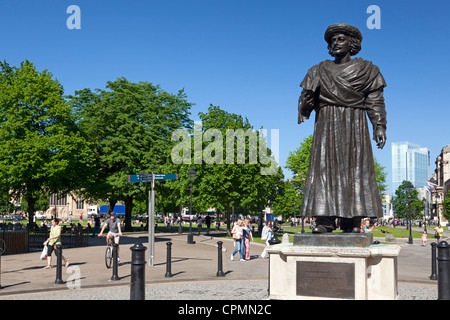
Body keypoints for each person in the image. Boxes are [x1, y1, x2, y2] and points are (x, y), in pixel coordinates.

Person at [298, 23, 387, 234]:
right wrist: (307, 99)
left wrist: (379, 126)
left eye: (340, 39)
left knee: (355, 170)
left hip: (355, 126)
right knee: (324, 170)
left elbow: (375, 101)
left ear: (352, 43)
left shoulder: (368, 71)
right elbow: (304, 106)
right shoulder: (317, 70)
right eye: (332, 40)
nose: (335, 43)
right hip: (326, 127)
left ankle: (352, 221)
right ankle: (324, 221)